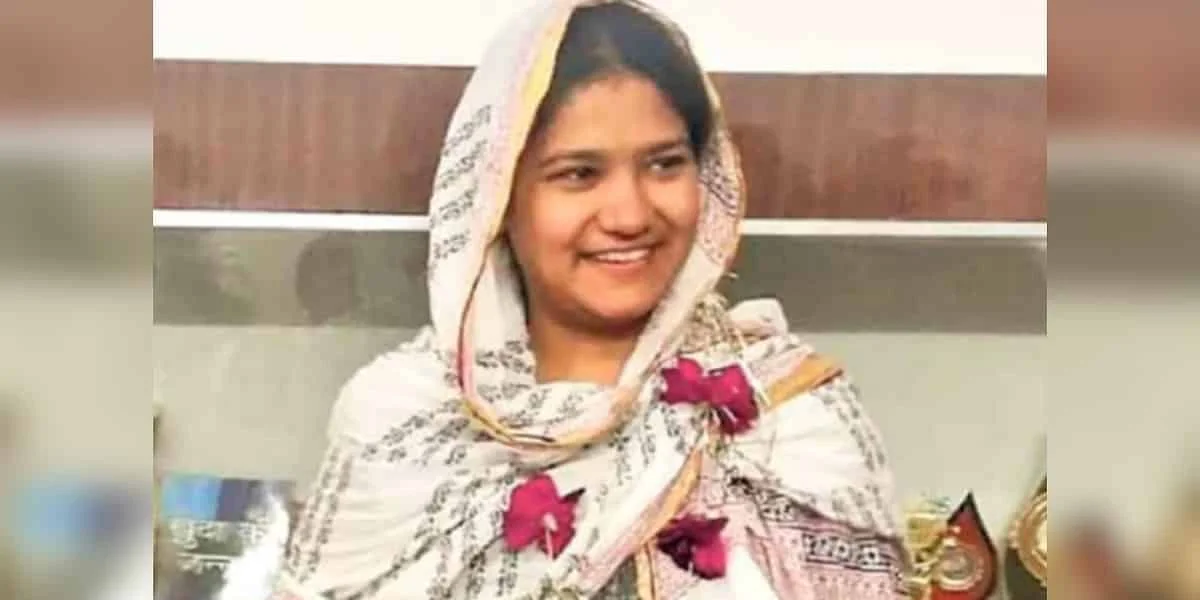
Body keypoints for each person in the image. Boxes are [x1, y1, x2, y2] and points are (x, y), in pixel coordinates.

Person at [274, 1, 906, 598]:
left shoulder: (787, 418)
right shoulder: (398, 421)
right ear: (499, 199)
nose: (629, 215)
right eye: (578, 174)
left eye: (664, 164)